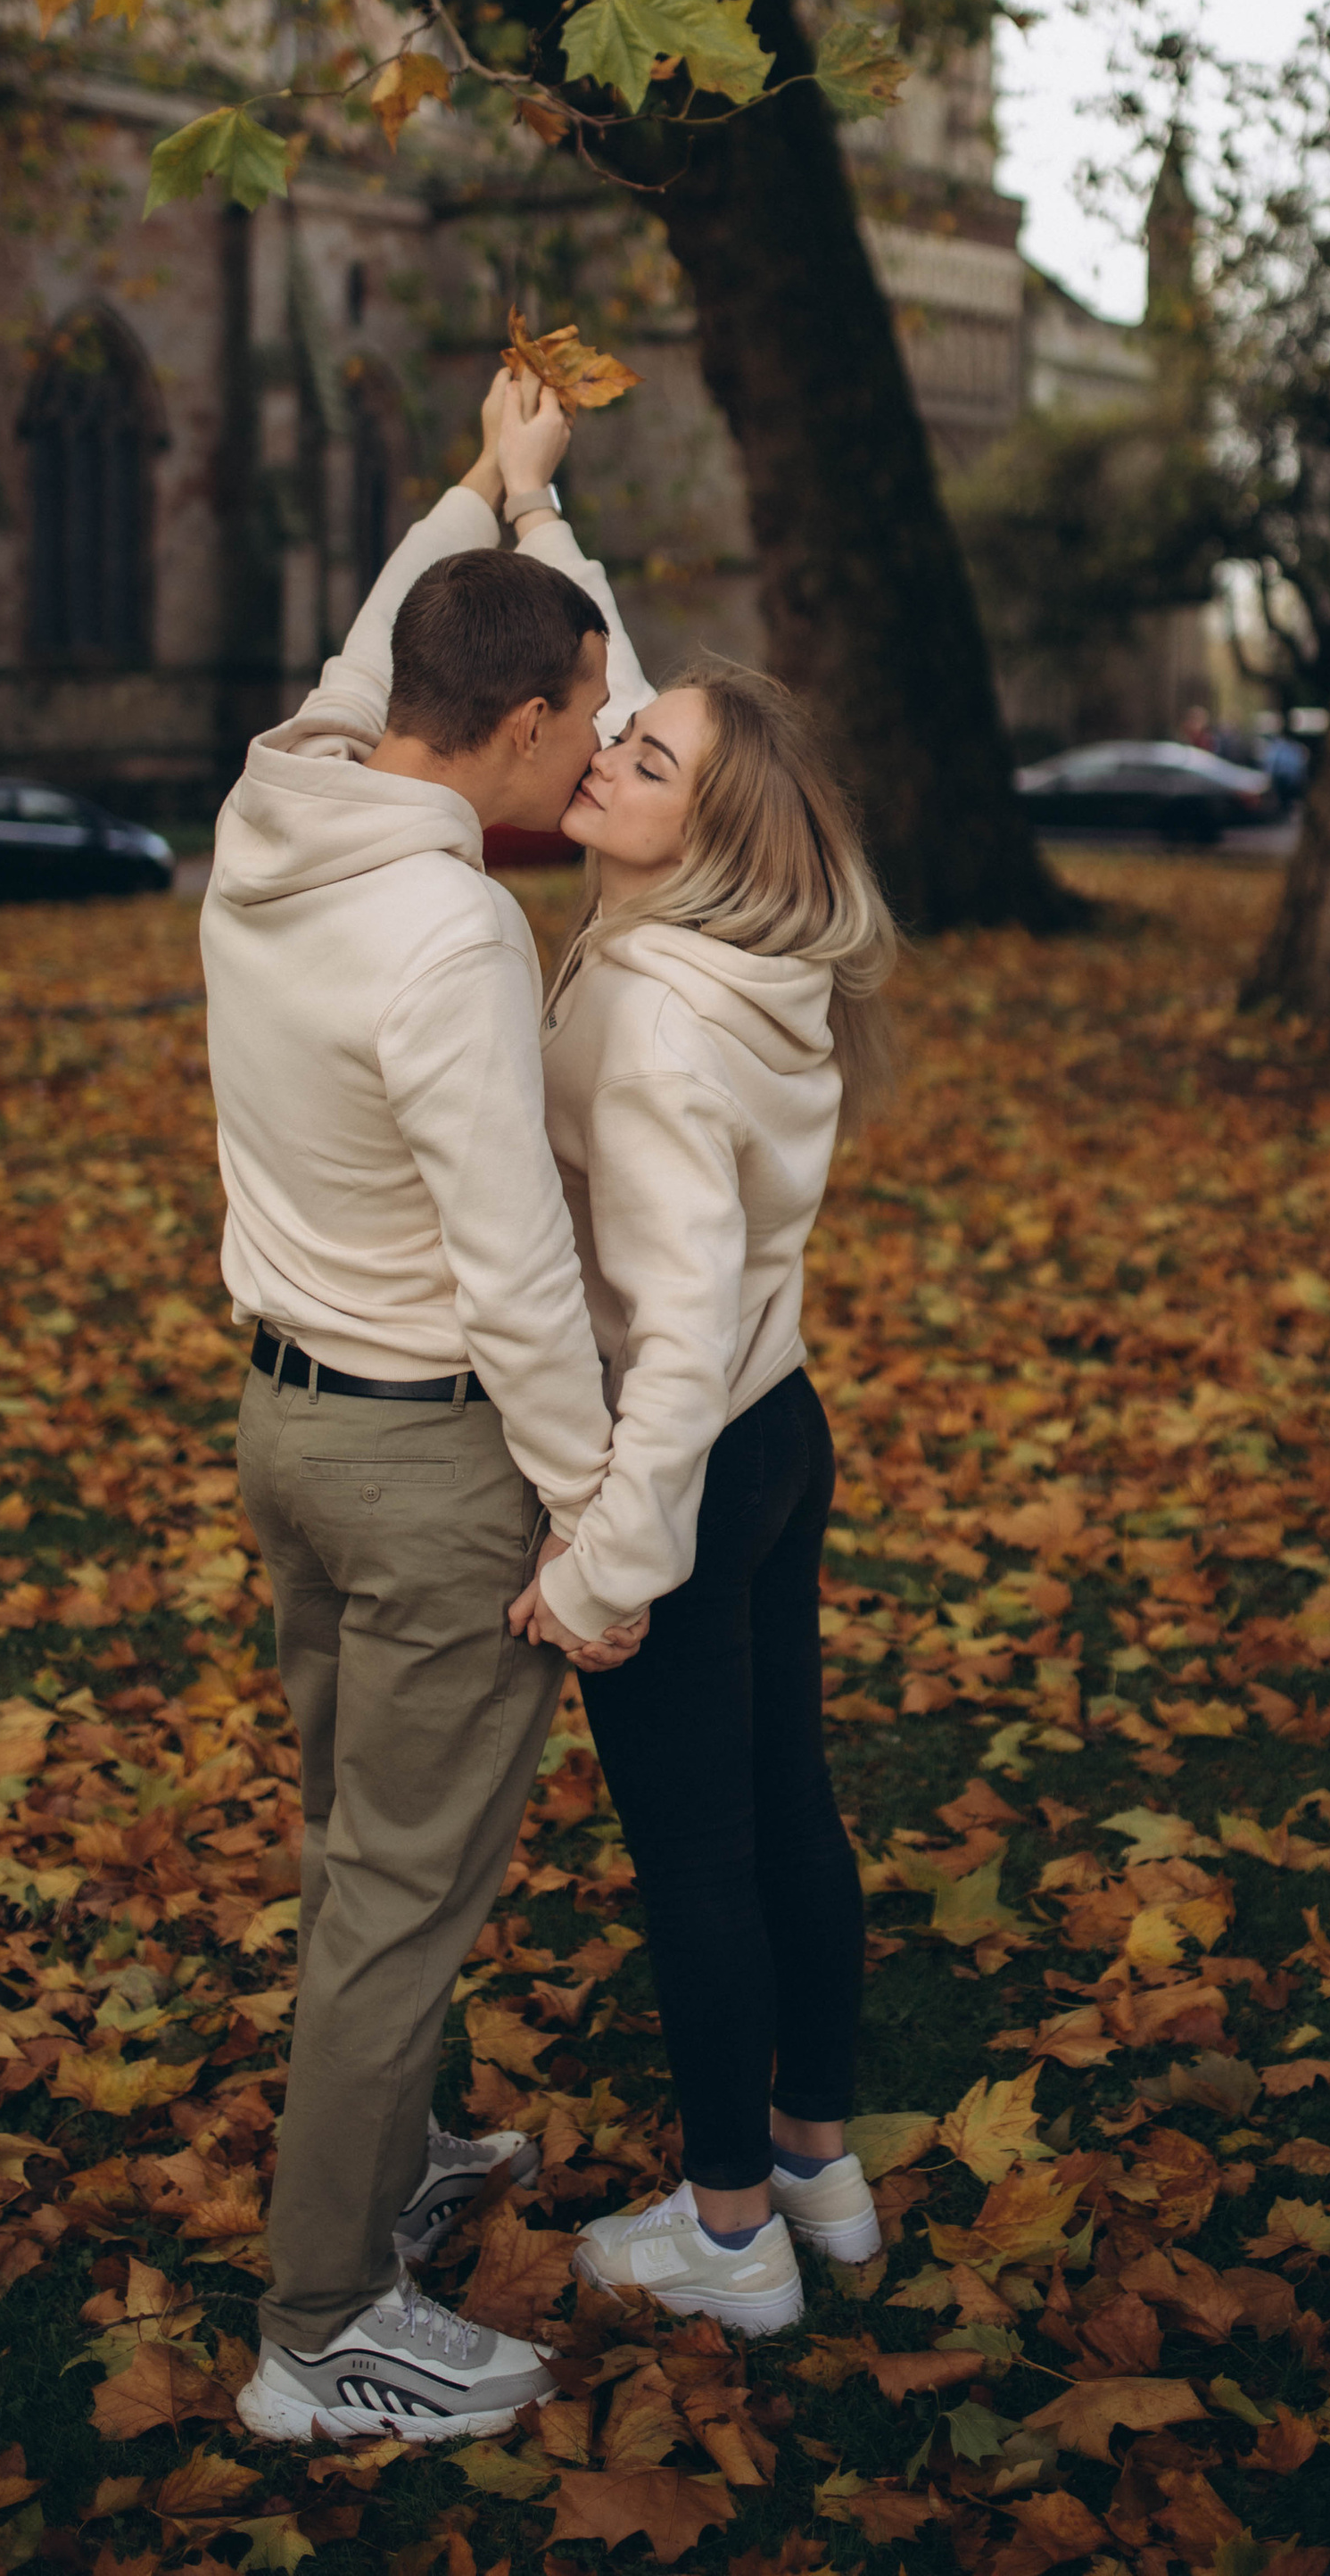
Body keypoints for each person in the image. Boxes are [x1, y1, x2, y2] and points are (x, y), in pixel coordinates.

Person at [203, 378, 651, 2448]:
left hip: (283, 1433)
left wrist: (495, 492)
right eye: (583, 714)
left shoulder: (274, 807)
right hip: (419, 1458)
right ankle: (322, 2330)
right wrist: (588, 1517)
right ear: (539, 722)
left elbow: (363, 652)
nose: (595, 747)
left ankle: (398, 2151)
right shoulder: (451, 922)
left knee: (350, 1853)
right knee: (398, 1892)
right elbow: (513, 1264)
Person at [450, 419, 903, 2338]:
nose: (600, 745)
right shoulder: (736, 944)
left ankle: (726, 2235)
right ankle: (813, 2158)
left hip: (701, 1452)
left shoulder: (648, 1017)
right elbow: (642, 697)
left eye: (639, 759)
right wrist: (528, 503)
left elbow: (677, 1325)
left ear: (692, 826)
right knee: (787, 1808)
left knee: (699, 1859)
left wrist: (607, 1565)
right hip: (781, 1433)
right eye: (605, 734)